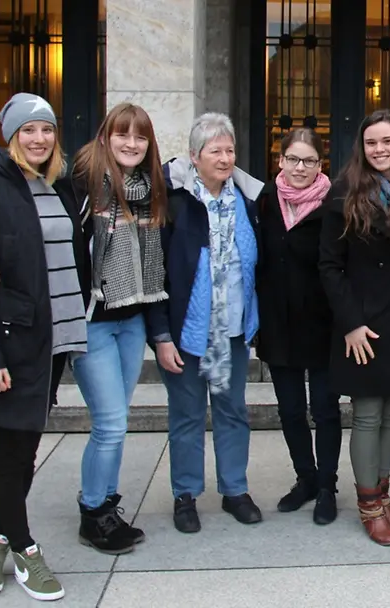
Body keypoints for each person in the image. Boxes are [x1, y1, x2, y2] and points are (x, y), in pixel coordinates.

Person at [0, 92, 85, 601]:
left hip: (52, 341)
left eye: (47, 129)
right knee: (11, 451)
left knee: (23, 450)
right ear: (10, 136)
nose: (39, 138)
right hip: (9, 344)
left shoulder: (56, 186)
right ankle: (25, 548)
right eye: (28, 130)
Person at [318, 109, 390, 546]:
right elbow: (329, 266)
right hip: (362, 323)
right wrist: (350, 323)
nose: (379, 149)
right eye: (371, 142)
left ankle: (382, 497)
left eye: (388, 141)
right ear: (361, 147)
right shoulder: (343, 191)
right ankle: (369, 505)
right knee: (368, 414)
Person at [148, 112, 265, 534]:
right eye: (215, 151)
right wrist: (161, 335)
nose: (225, 158)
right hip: (186, 333)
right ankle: (186, 495)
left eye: (230, 150)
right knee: (187, 415)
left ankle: (235, 490)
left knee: (233, 411)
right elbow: (155, 274)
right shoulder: (174, 203)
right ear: (194, 156)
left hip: (232, 330)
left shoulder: (248, 201)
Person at [69, 103, 168, 554]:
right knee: (109, 423)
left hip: (132, 319)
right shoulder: (82, 184)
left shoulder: (149, 188)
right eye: (123, 134)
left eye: (140, 136)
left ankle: (106, 505)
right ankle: (93, 513)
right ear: (106, 137)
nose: (131, 143)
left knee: (117, 421)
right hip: (92, 321)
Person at [256, 128, 342, 525]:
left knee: (325, 410)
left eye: (309, 160)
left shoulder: (335, 203)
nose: (300, 168)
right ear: (280, 160)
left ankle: (327, 486)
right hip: (278, 322)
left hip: (324, 324)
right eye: (293, 159)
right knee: (290, 410)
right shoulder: (264, 201)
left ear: (320, 164)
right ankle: (305, 478)